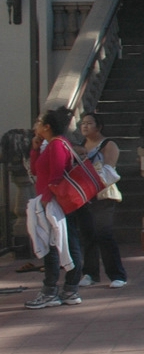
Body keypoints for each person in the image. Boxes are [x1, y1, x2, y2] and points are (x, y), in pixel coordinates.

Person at [25, 107, 84, 308]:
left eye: (39, 123)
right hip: (49, 201)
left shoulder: (57, 145)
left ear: (47, 127)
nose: (36, 126)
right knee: (55, 243)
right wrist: (35, 148)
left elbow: (56, 175)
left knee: (61, 244)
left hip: (56, 203)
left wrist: (46, 199)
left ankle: (60, 289)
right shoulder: (49, 145)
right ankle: (64, 289)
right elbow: (36, 170)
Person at [75, 112, 127, 289]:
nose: (85, 126)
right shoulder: (79, 146)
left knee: (104, 234)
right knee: (88, 235)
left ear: (99, 126)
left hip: (103, 195)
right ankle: (90, 273)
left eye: (89, 123)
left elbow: (109, 171)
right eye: (83, 123)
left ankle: (117, 275)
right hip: (84, 196)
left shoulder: (108, 145)